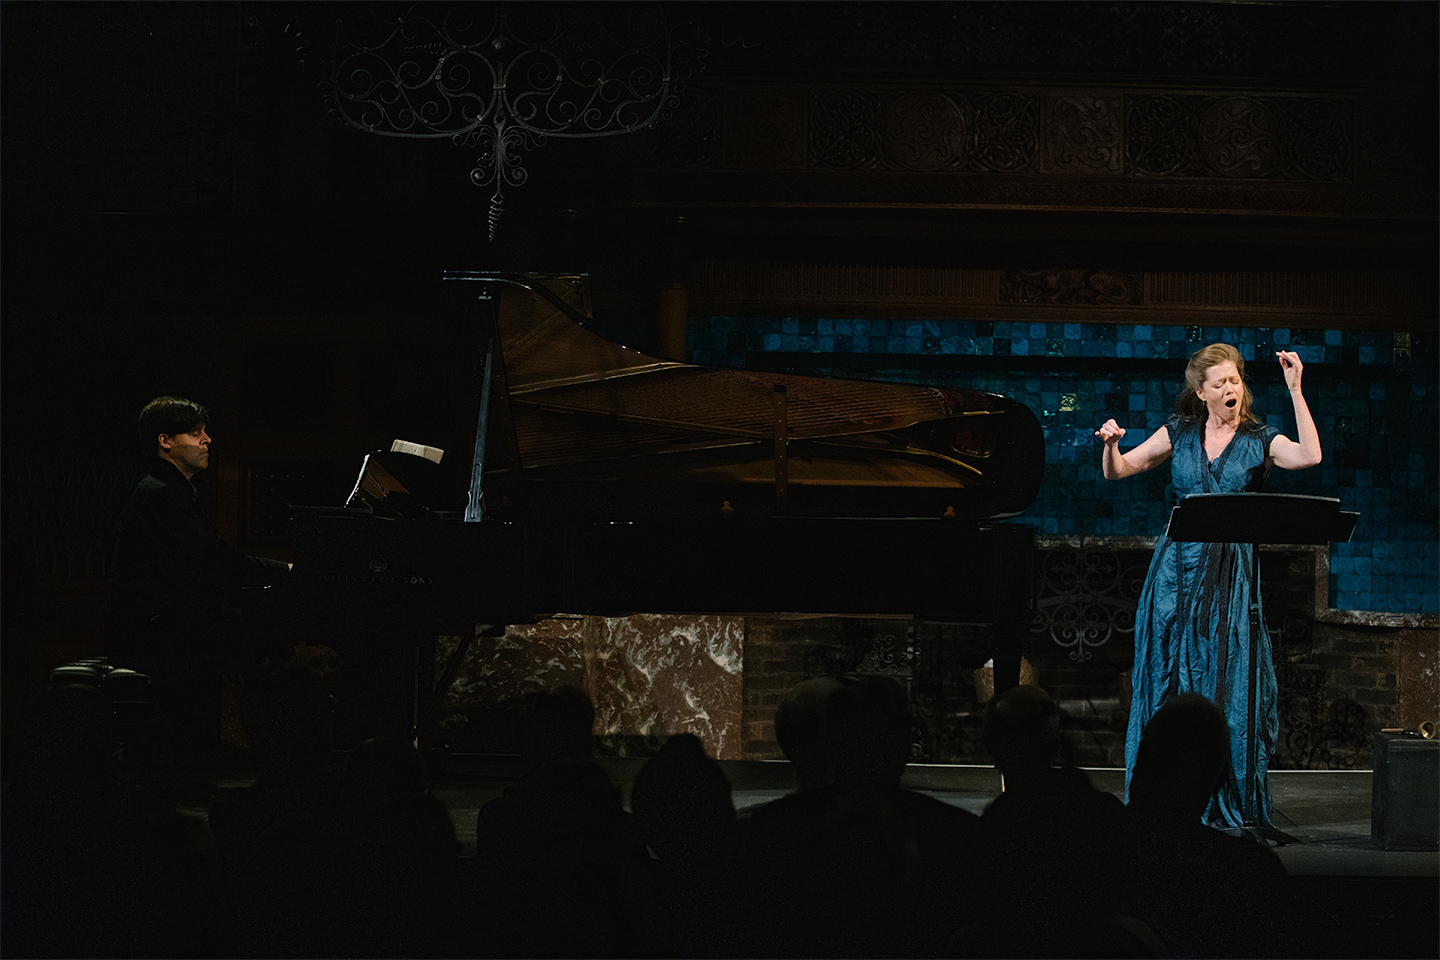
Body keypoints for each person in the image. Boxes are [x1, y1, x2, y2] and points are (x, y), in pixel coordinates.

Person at [1094, 346, 1321, 827]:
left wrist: (1296, 391)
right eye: (1219, 383)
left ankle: (1221, 798)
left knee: (1225, 676)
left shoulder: (1259, 439)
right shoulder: (1179, 431)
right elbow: (1121, 470)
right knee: (1167, 675)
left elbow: (1309, 456)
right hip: (1174, 576)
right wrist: (1111, 445)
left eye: (1235, 380)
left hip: (1228, 577)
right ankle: (1160, 799)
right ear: (1201, 393)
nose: (1230, 389)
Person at [106, 396, 291, 758]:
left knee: (262, 641)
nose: (207, 440)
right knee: (269, 650)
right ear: (165, 441)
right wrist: (282, 570)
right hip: (153, 630)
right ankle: (277, 758)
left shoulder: (169, 489)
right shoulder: (163, 493)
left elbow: (203, 560)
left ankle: (260, 754)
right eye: (195, 433)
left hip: (159, 623)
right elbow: (210, 557)